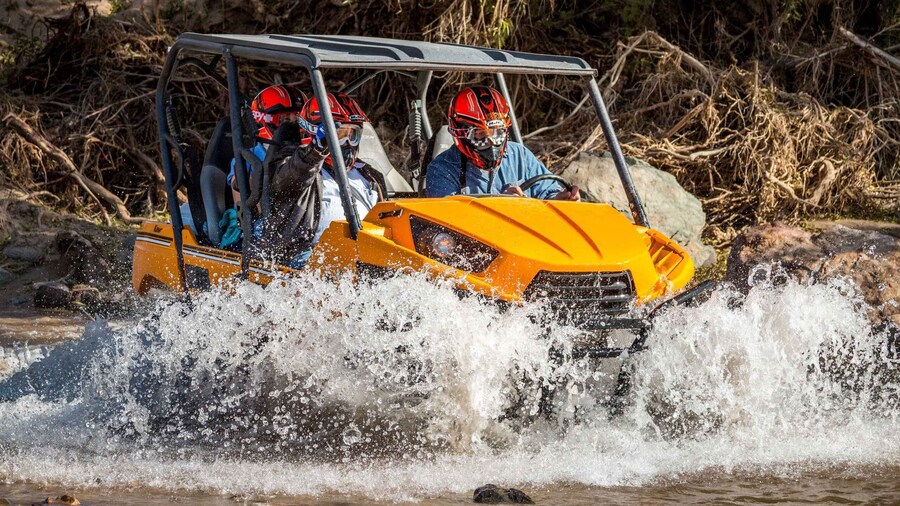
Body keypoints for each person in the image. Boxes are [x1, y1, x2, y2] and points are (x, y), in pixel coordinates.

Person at [256, 92, 384, 268]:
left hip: (365, 253)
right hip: (308, 256)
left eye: (352, 135)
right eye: (340, 135)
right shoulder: (298, 168)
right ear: (316, 132)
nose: (347, 143)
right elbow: (285, 181)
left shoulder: (369, 175)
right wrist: (315, 152)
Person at [425, 86, 580, 201]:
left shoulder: (520, 156)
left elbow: (547, 190)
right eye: (480, 134)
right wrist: (501, 205)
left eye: (497, 133)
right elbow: (448, 224)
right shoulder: (442, 171)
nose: (492, 143)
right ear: (461, 134)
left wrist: (560, 198)